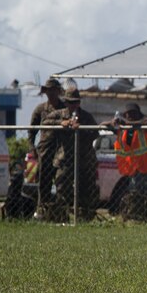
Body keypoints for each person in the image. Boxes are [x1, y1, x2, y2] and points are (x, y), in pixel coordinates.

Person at [46, 87, 99, 222]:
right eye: (70, 102)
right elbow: (45, 122)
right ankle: (61, 219)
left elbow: (95, 133)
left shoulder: (86, 116)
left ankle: (84, 220)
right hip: (65, 159)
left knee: (86, 190)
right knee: (62, 189)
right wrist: (61, 123)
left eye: (75, 102)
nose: (73, 105)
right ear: (66, 102)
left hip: (84, 159)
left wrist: (81, 130)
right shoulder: (59, 114)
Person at [111, 102, 147, 221]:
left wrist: (125, 123)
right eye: (128, 114)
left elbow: (139, 124)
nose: (130, 116)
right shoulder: (124, 129)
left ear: (139, 115)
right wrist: (113, 122)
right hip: (134, 170)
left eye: (133, 113)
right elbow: (103, 125)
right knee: (135, 196)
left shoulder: (145, 125)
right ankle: (138, 217)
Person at [29, 77, 66, 219]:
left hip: (62, 149)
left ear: (58, 91)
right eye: (48, 90)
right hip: (45, 148)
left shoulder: (64, 108)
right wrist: (32, 147)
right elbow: (31, 130)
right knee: (43, 180)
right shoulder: (40, 109)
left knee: (61, 180)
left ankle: (60, 211)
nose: (51, 93)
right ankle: (41, 209)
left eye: (53, 90)